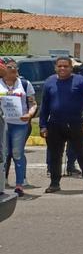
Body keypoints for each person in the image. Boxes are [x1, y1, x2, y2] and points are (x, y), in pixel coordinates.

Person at [40, 56, 83, 193]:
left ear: (71, 68)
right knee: (55, 155)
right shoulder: (49, 82)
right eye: (60, 66)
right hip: (54, 124)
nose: (62, 68)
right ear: (55, 68)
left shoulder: (80, 81)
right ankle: (54, 183)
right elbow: (44, 105)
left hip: (76, 123)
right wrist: (42, 125)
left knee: (82, 154)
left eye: (66, 66)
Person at [0, 61, 34, 197]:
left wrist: (30, 114)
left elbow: (33, 103)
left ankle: (20, 184)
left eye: (15, 67)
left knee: (17, 153)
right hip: (3, 123)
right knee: (3, 154)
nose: (12, 69)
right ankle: (2, 183)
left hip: (20, 124)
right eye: (9, 67)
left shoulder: (25, 84)